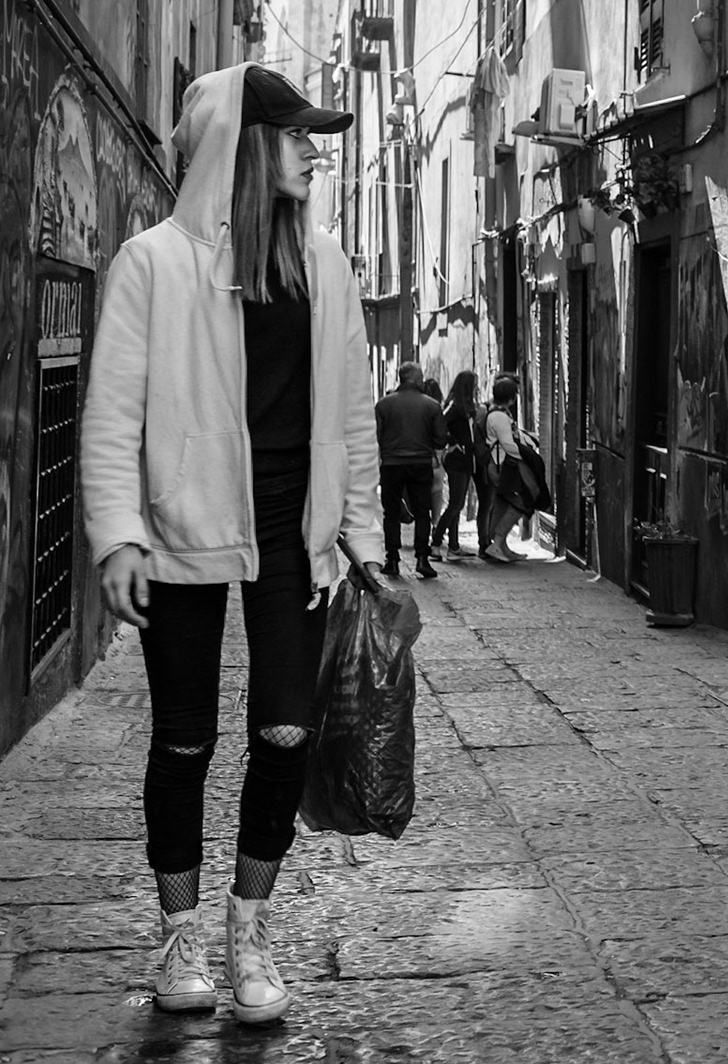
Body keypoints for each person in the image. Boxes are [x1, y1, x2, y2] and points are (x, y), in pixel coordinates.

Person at [80, 63, 384, 1026]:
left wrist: (365, 540)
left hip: (297, 535)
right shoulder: (152, 264)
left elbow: (354, 415)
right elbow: (111, 414)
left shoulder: (325, 266)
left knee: (286, 732)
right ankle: (178, 936)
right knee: (184, 739)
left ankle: (248, 928)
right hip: (186, 528)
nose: (313, 152)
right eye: (295, 135)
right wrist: (118, 535)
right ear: (243, 147)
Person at [374, 362, 447, 579]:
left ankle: (392, 558)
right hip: (420, 463)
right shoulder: (432, 405)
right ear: (415, 379)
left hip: (391, 463)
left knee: (391, 512)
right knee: (422, 511)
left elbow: (376, 435)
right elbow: (441, 438)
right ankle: (422, 558)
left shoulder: (383, 405)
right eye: (421, 377)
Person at [431, 370, 481, 558]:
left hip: (466, 460)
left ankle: (453, 546)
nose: (476, 388)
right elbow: (439, 425)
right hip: (456, 461)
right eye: (474, 385)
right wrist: (452, 443)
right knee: (455, 504)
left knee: (457, 504)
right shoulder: (454, 406)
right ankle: (436, 543)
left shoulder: (466, 406)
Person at [480, 375, 530, 564]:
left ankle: (501, 547)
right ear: (510, 396)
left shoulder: (499, 413)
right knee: (521, 502)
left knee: (501, 503)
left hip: (500, 464)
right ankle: (497, 542)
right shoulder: (499, 417)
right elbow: (507, 444)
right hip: (501, 466)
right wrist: (526, 457)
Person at [421, 377, 446, 560]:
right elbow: (441, 437)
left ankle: (425, 531)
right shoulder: (438, 410)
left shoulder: (419, 410)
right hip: (436, 459)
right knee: (437, 494)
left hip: (421, 457)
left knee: (422, 496)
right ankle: (435, 527)